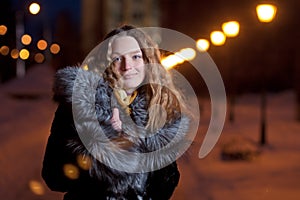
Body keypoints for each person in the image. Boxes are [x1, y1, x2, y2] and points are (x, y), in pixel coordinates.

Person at [41, 24, 192, 200]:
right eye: (117, 59)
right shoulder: (79, 107)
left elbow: (164, 188)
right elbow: (54, 178)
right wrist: (104, 148)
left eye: (136, 56)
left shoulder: (158, 108)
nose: (127, 66)